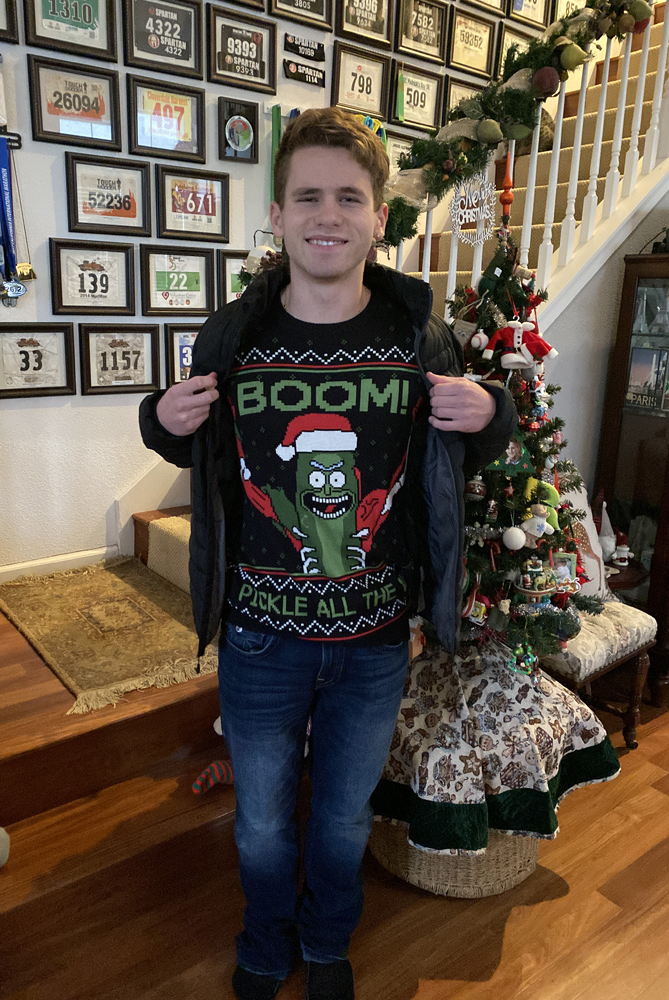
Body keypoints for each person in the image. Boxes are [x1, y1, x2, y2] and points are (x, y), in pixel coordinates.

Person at [139, 107, 517, 1000]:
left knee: (344, 821)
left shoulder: (417, 335)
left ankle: (326, 941)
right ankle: (265, 938)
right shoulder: (234, 337)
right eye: (307, 195)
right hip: (260, 637)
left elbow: (459, 452)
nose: (327, 214)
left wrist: (493, 410)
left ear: (379, 216)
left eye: (349, 197)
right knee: (263, 825)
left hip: (375, 644)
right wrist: (157, 418)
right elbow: (188, 438)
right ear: (276, 214)